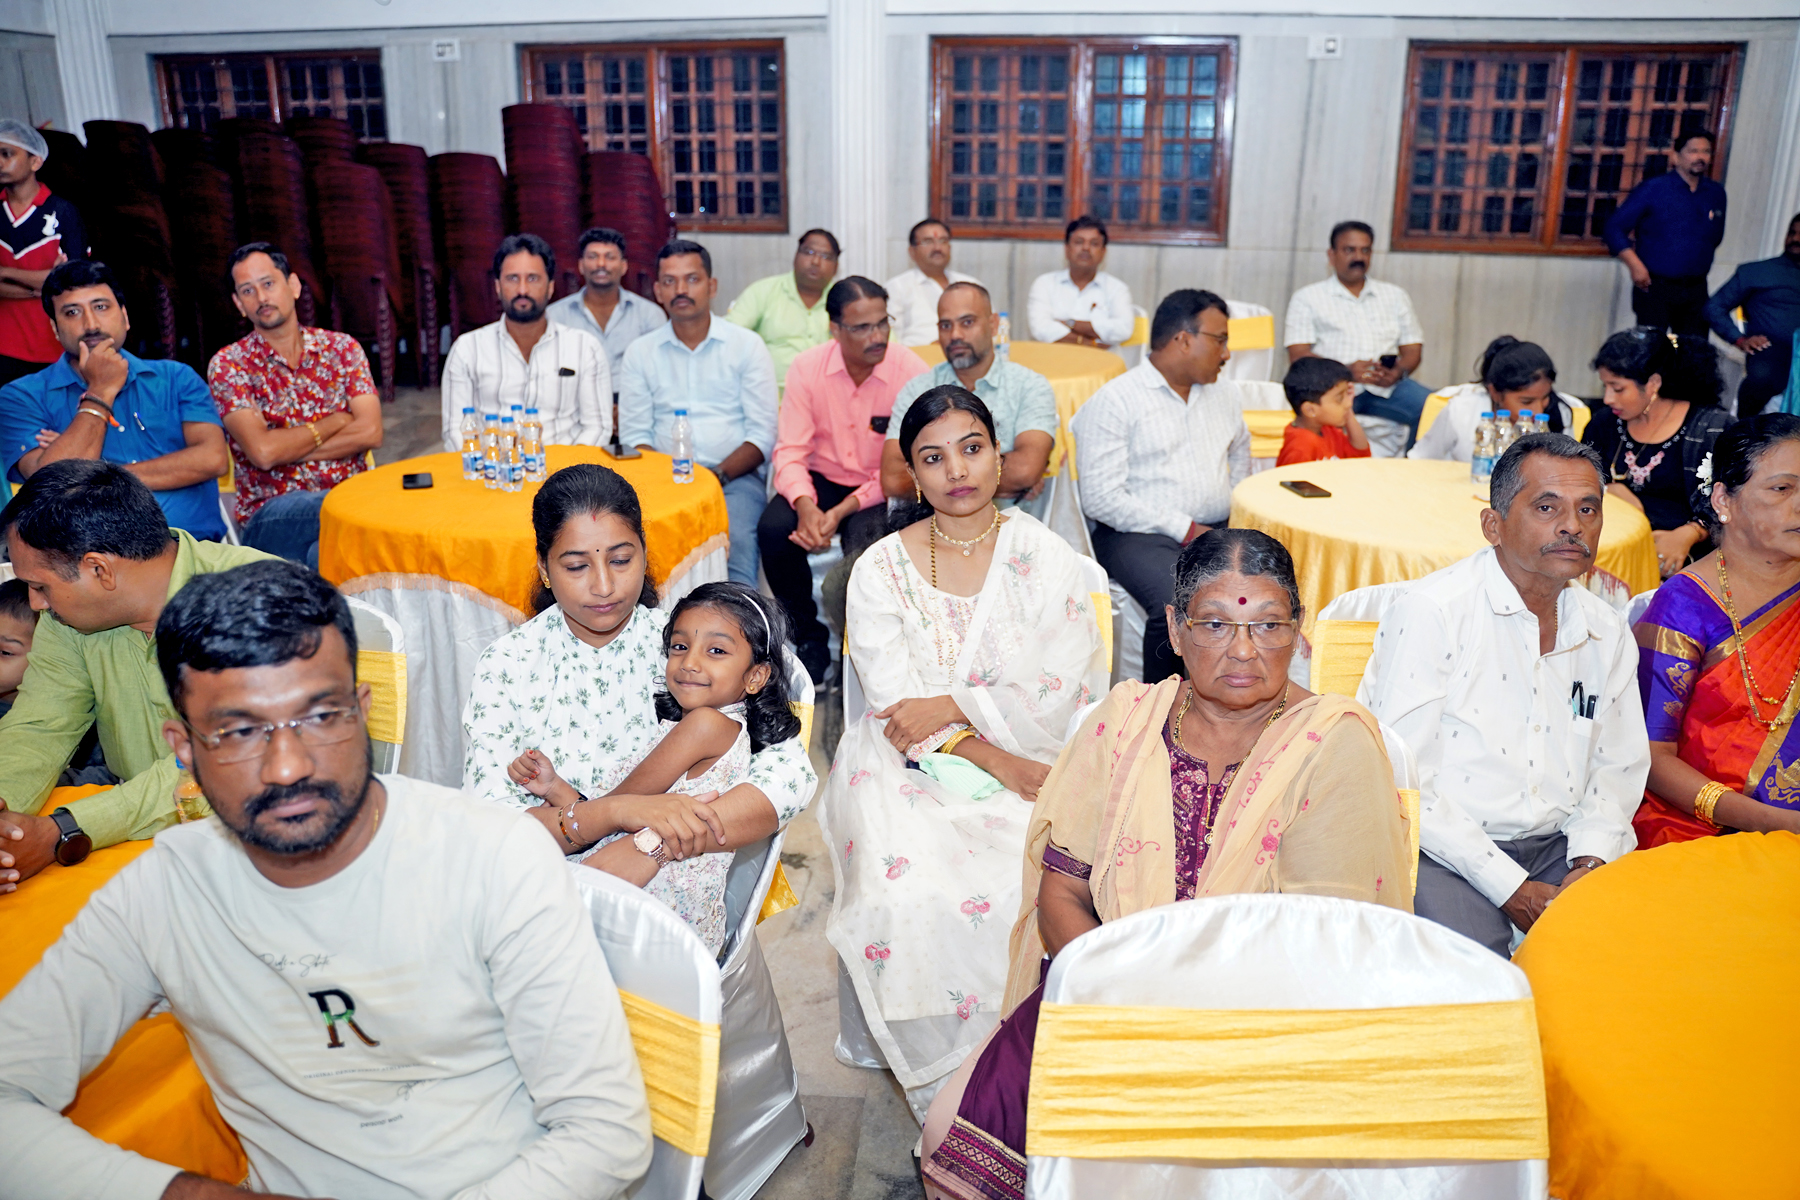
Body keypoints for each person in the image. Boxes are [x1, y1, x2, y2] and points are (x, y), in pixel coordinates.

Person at [0, 558, 654, 1199]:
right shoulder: (165, 891)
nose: (288, 767)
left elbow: (605, 1133)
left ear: (362, 711)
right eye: (239, 731)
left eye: (319, 717)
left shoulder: (493, 856)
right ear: (184, 751)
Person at [920, 529, 1413, 1200]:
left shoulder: (1333, 743)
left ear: (1299, 632)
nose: (1244, 651)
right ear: (1176, 630)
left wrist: (1183, 1031)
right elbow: (1062, 893)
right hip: (1105, 991)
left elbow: (1325, 946)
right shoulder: (1124, 722)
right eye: (1215, 624)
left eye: (1268, 625)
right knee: (949, 1136)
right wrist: (1120, 1002)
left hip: (1261, 1026)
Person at [819, 385, 1109, 1120]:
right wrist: (992, 756)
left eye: (972, 448)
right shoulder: (881, 569)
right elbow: (897, 709)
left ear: (999, 454)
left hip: (1036, 746)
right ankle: (958, 1089)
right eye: (933, 457)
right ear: (912, 475)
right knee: (907, 894)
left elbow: (1061, 687)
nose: (957, 470)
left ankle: (1032, 1061)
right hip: (903, 763)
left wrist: (954, 704)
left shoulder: (1046, 557)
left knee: (1044, 872)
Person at [462, 464, 815, 948]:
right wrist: (616, 814)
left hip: (666, 907)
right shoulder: (509, 665)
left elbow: (791, 778)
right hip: (543, 898)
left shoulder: (682, 648)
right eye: (577, 566)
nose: (604, 586)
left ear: (645, 554)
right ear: (544, 567)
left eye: (621, 560)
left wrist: (654, 842)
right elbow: (494, 829)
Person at [1360, 434, 1647, 957]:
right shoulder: (1434, 613)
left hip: (1563, 846)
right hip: (1442, 846)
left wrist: (1590, 862)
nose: (1572, 526)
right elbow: (1405, 777)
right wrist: (1511, 888)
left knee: (1623, 963)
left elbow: (1618, 767)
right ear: (1493, 525)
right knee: (1476, 974)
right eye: (1547, 507)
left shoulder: (1606, 629)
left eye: (1588, 509)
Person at [0, 461, 269, 892]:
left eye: (41, 586)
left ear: (99, 570)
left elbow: (224, 763)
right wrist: (6, 821)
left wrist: (63, 831)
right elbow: (39, 727)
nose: (36, 604)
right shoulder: (68, 620)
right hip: (138, 848)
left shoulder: (259, 600)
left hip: (263, 850)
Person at [509, 582, 802, 954]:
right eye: (680, 646)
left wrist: (563, 799)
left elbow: (614, 809)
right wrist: (555, 787)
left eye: (716, 650)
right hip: (679, 924)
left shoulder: (704, 726)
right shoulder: (715, 728)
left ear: (755, 676)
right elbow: (615, 815)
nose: (690, 662)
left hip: (647, 912)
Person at [1632, 413, 1800, 847]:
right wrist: (1779, 824)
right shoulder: (1683, 609)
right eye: (1782, 489)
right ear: (1724, 499)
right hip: (1701, 828)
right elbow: (1651, 759)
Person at [1072, 288, 1250, 683]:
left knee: (1264, 585)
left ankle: (1235, 694)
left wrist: (1235, 509)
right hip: (1136, 534)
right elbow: (1101, 497)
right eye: (1219, 340)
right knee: (1177, 601)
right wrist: (1184, 528)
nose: (1226, 354)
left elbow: (1240, 449)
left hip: (1215, 527)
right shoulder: (1117, 401)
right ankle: (1159, 708)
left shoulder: (1225, 393)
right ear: (1183, 339)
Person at [757, 276, 929, 684]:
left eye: (882, 323)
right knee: (774, 530)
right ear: (834, 328)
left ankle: (865, 654)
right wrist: (805, 505)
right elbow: (791, 451)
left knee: (867, 551)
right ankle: (808, 639)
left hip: (880, 487)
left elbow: (904, 469)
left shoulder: (911, 372)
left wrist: (839, 512)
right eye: (862, 327)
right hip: (820, 477)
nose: (877, 336)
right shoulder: (807, 368)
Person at [0, 259, 228, 540]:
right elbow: (54, 487)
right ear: (55, 329)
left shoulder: (176, 378)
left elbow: (213, 459)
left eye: (101, 307)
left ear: (125, 317)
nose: (91, 324)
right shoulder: (21, 396)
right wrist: (100, 392)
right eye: (72, 312)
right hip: (94, 557)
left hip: (195, 549)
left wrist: (93, 474)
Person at [207, 242, 382, 568]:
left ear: (294, 286)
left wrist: (284, 447)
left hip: (348, 500)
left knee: (324, 552)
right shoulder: (229, 365)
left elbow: (370, 432)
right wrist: (335, 422)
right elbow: (263, 453)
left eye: (268, 283)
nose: (261, 298)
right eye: (248, 291)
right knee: (347, 509)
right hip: (272, 514)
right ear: (238, 304)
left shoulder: (342, 349)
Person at [618, 239, 779, 585]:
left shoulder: (746, 346)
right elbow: (635, 435)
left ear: (712, 286)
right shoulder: (640, 352)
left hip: (733, 480)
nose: (681, 290)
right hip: (661, 481)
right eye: (670, 281)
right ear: (658, 291)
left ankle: (738, 616)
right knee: (648, 559)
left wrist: (715, 477)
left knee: (735, 549)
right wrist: (667, 481)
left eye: (692, 279)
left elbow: (762, 434)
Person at [881, 281, 1057, 511]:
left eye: (967, 322)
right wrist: (1001, 479)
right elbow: (893, 478)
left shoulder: (1029, 386)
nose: (955, 335)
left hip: (1010, 522)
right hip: (932, 524)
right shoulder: (917, 390)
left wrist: (932, 472)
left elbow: (1025, 469)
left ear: (993, 324)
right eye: (946, 325)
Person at [439, 232, 612, 453]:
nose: (522, 290)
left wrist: (567, 471)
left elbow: (597, 427)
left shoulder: (584, 348)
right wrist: (487, 467)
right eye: (512, 279)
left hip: (566, 469)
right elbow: (455, 431)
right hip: (490, 470)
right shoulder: (467, 350)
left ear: (550, 287)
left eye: (532, 279)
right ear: (498, 286)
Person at [1583, 327, 1732, 579]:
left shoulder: (1711, 429)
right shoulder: (1605, 423)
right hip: (1612, 547)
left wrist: (1690, 533)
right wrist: (1609, 490)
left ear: (1653, 383)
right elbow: (1577, 476)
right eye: (1605, 386)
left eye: (1617, 389)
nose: (1607, 398)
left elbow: (1734, 497)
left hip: (1684, 558)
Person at [1284, 220, 1430, 446]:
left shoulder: (1394, 296)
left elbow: (1413, 349)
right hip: (1333, 390)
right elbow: (1298, 356)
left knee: (1434, 409)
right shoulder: (1308, 298)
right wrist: (1345, 371)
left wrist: (1398, 372)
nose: (1358, 257)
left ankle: (1410, 464)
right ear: (1331, 255)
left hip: (1387, 389)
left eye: (1365, 250)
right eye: (1349, 250)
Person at [1604, 131, 1728, 337]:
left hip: (1696, 287)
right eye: (1693, 151)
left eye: (1706, 152)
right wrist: (1635, 266)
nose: (1700, 157)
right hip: (1655, 286)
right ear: (1676, 156)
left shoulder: (1716, 193)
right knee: (1652, 348)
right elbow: (1614, 228)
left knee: (1692, 349)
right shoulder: (1654, 188)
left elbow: (1715, 237)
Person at [0, 119, 85, 387]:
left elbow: (71, 280)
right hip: (4, 345)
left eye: (7, 154)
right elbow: (53, 281)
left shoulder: (64, 212)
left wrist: (5, 272)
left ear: (35, 161)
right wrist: (41, 284)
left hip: (54, 342)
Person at [1410, 336, 1582, 463]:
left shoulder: (1560, 414)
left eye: (1545, 398)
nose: (1538, 411)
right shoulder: (1461, 410)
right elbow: (1419, 462)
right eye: (1526, 402)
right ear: (1495, 393)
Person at [1703, 212, 1800, 416]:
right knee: (1764, 378)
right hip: (1770, 351)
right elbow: (1714, 307)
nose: (1795, 239)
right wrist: (1739, 339)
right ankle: (1743, 427)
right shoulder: (1757, 272)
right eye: (1792, 233)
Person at [547, 226, 667, 383]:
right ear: (581, 266)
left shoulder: (649, 314)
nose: (601, 264)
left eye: (610, 257)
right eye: (593, 257)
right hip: (575, 396)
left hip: (632, 396)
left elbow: (658, 373)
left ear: (624, 266)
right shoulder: (556, 315)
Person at [726, 227, 839, 390]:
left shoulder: (845, 300)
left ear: (836, 267)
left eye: (825, 256)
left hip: (828, 395)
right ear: (796, 256)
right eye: (808, 252)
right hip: (771, 395)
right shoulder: (763, 292)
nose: (815, 261)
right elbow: (730, 335)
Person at [1026, 215, 1134, 353]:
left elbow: (1123, 330)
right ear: (1067, 249)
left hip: (1101, 363)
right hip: (1053, 359)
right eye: (1079, 242)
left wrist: (1070, 323)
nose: (1086, 248)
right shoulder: (1044, 284)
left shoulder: (1117, 289)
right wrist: (1090, 344)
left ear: (1103, 252)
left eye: (1094, 243)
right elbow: (1040, 328)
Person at [885, 218, 982, 348]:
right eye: (928, 241)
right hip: (917, 357)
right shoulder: (897, 288)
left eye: (943, 241)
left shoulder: (970, 285)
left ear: (949, 247)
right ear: (912, 252)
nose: (937, 248)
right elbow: (891, 341)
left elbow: (989, 329)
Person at [1277, 355, 1369, 466]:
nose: (1348, 403)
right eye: (1340, 399)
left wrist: (1348, 412)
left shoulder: (1327, 430)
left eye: (1347, 394)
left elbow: (1360, 455)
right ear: (1310, 410)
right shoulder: (1300, 447)